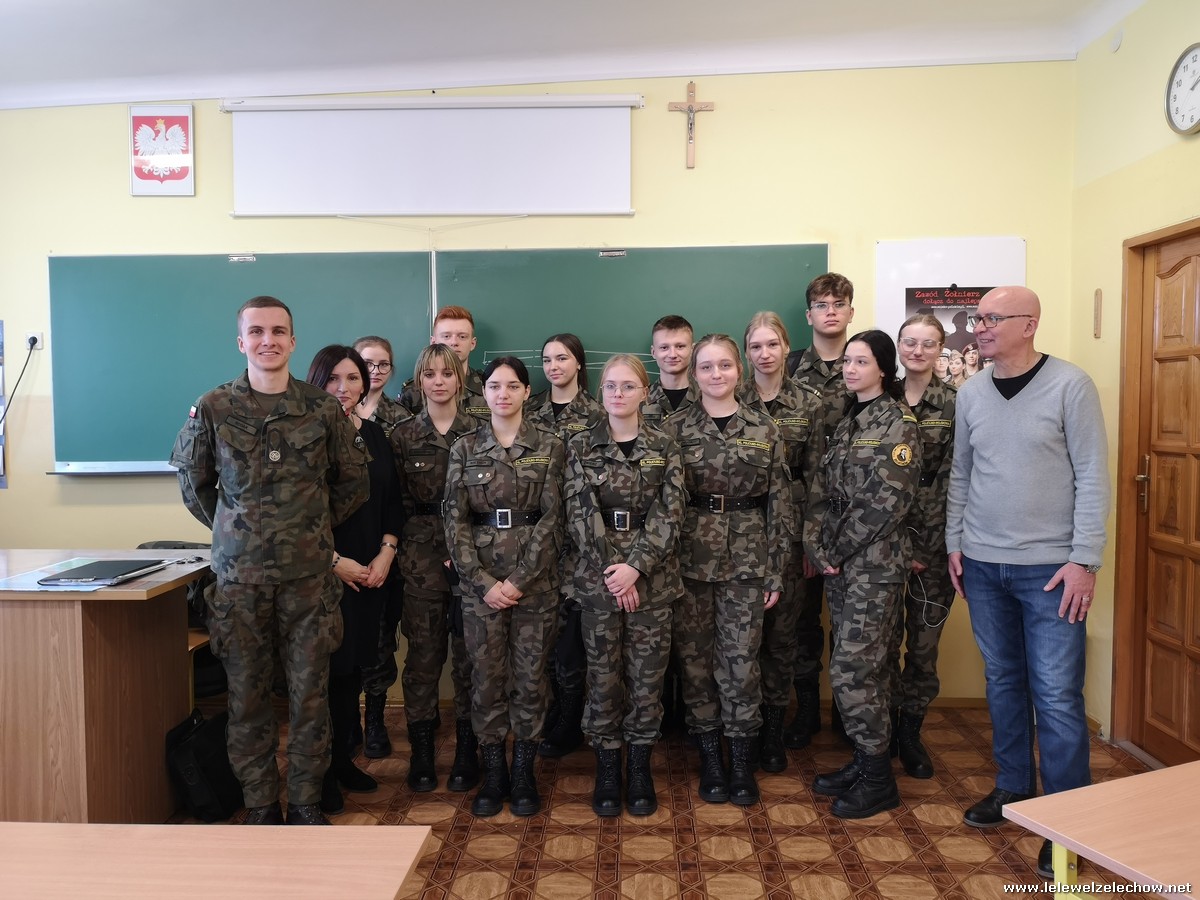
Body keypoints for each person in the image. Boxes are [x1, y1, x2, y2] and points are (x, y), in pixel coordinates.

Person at [170, 295, 368, 826]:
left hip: (308, 581)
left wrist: (306, 529)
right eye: (256, 331)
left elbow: (353, 483)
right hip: (240, 582)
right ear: (241, 341)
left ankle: (304, 801)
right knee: (247, 700)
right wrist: (237, 530)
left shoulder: (322, 409)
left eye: (278, 331)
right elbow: (194, 485)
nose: (268, 340)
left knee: (310, 697)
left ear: (293, 341)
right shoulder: (214, 407)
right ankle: (260, 803)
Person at [947, 286, 1109, 880]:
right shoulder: (971, 392)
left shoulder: (1070, 385)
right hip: (983, 564)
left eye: (992, 318)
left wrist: (1085, 559)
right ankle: (1013, 787)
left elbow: (1093, 475)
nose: (980, 328)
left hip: (1052, 570)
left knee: (1058, 695)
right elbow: (962, 472)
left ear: (1029, 324)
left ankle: (1067, 827)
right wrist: (954, 542)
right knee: (1003, 681)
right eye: (977, 318)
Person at [664, 334, 791, 806]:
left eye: (724, 365)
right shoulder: (673, 429)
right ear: (694, 374)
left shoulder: (765, 428)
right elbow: (663, 504)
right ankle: (711, 762)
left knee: (740, 666)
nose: (716, 374)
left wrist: (776, 570)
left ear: (740, 370)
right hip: (689, 562)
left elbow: (780, 504)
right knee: (696, 665)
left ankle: (740, 762)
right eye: (706, 367)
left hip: (748, 561)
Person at [444, 356, 566, 818]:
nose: (503, 394)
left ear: (526, 392)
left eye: (513, 386)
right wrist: (482, 582)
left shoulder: (551, 446)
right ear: (484, 393)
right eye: (495, 386)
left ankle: (523, 773)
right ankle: (494, 772)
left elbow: (555, 520)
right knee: (486, 681)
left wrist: (518, 580)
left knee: (531, 680)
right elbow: (454, 522)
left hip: (536, 586)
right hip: (480, 590)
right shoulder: (464, 448)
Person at [564, 354, 685, 816]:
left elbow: (671, 512)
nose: (618, 394)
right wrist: (615, 570)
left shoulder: (665, 444)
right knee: (603, 679)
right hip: (598, 584)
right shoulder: (579, 445)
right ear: (601, 392)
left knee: (646, 680)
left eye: (628, 386)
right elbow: (579, 513)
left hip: (652, 583)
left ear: (644, 393)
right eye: (611, 386)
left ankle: (639, 769)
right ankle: (608, 770)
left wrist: (636, 567)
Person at [805, 329, 920, 819]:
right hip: (845, 566)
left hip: (873, 566)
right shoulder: (851, 420)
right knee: (866, 667)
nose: (850, 369)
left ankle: (878, 780)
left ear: (884, 369)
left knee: (854, 670)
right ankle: (866, 760)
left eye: (861, 362)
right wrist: (818, 545)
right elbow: (827, 491)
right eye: (847, 361)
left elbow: (884, 504)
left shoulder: (897, 424)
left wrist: (834, 549)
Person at [305, 344, 403, 814]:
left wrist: (386, 552)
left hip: (370, 575)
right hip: (323, 576)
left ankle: (343, 761)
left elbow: (392, 501)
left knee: (352, 676)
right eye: (332, 379)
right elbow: (292, 514)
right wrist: (333, 562)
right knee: (322, 678)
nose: (343, 388)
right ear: (316, 382)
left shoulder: (375, 434)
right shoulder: (304, 436)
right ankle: (319, 772)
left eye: (352, 378)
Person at [392, 344, 481, 793]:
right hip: (421, 560)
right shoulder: (403, 435)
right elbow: (396, 503)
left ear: (459, 379)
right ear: (419, 381)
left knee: (469, 660)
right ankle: (422, 753)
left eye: (447, 373)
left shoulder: (480, 432)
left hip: (474, 562)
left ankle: (467, 751)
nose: (439, 381)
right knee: (424, 660)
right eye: (430, 374)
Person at [737, 312, 822, 773]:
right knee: (740, 642)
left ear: (787, 347)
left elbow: (819, 478)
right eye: (756, 346)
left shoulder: (808, 403)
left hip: (789, 541)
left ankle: (773, 732)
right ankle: (742, 731)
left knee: (783, 639)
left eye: (772, 344)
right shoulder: (731, 398)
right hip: (738, 540)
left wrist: (810, 542)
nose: (765, 354)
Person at [783, 272, 855, 750]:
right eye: (822, 305)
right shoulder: (789, 367)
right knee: (803, 620)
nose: (831, 311)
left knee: (851, 621)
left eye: (839, 303)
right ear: (809, 315)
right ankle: (807, 707)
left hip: (856, 515)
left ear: (851, 311)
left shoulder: (865, 363)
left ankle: (850, 715)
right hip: (802, 511)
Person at [525, 333, 604, 759]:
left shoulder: (597, 412)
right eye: (547, 359)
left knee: (573, 641)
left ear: (579, 363)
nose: (553, 366)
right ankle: (554, 712)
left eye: (562, 358)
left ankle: (571, 719)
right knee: (546, 639)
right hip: (537, 539)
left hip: (580, 542)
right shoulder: (530, 410)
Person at [890, 314, 956, 779]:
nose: (917, 351)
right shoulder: (879, 396)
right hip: (881, 541)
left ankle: (910, 734)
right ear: (898, 345)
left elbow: (961, 475)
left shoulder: (956, 403)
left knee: (923, 646)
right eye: (909, 342)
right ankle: (878, 731)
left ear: (940, 349)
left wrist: (942, 540)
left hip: (933, 541)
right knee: (879, 645)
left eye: (927, 343)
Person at [351, 334, 411, 760]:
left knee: (380, 637)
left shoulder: (400, 418)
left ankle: (374, 719)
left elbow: (400, 490)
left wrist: (389, 546)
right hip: (336, 549)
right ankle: (343, 722)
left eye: (382, 364)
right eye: (365, 364)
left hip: (383, 543)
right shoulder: (322, 418)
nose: (374, 372)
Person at [399, 305, 489, 417]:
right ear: (433, 342)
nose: (454, 342)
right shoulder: (413, 390)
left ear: (472, 343)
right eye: (446, 336)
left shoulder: (489, 386)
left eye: (462, 337)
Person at [643, 315, 697, 428]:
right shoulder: (639, 400)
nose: (672, 355)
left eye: (680, 346)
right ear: (653, 352)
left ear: (692, 350)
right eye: (664, 347)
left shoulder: (708, 398)